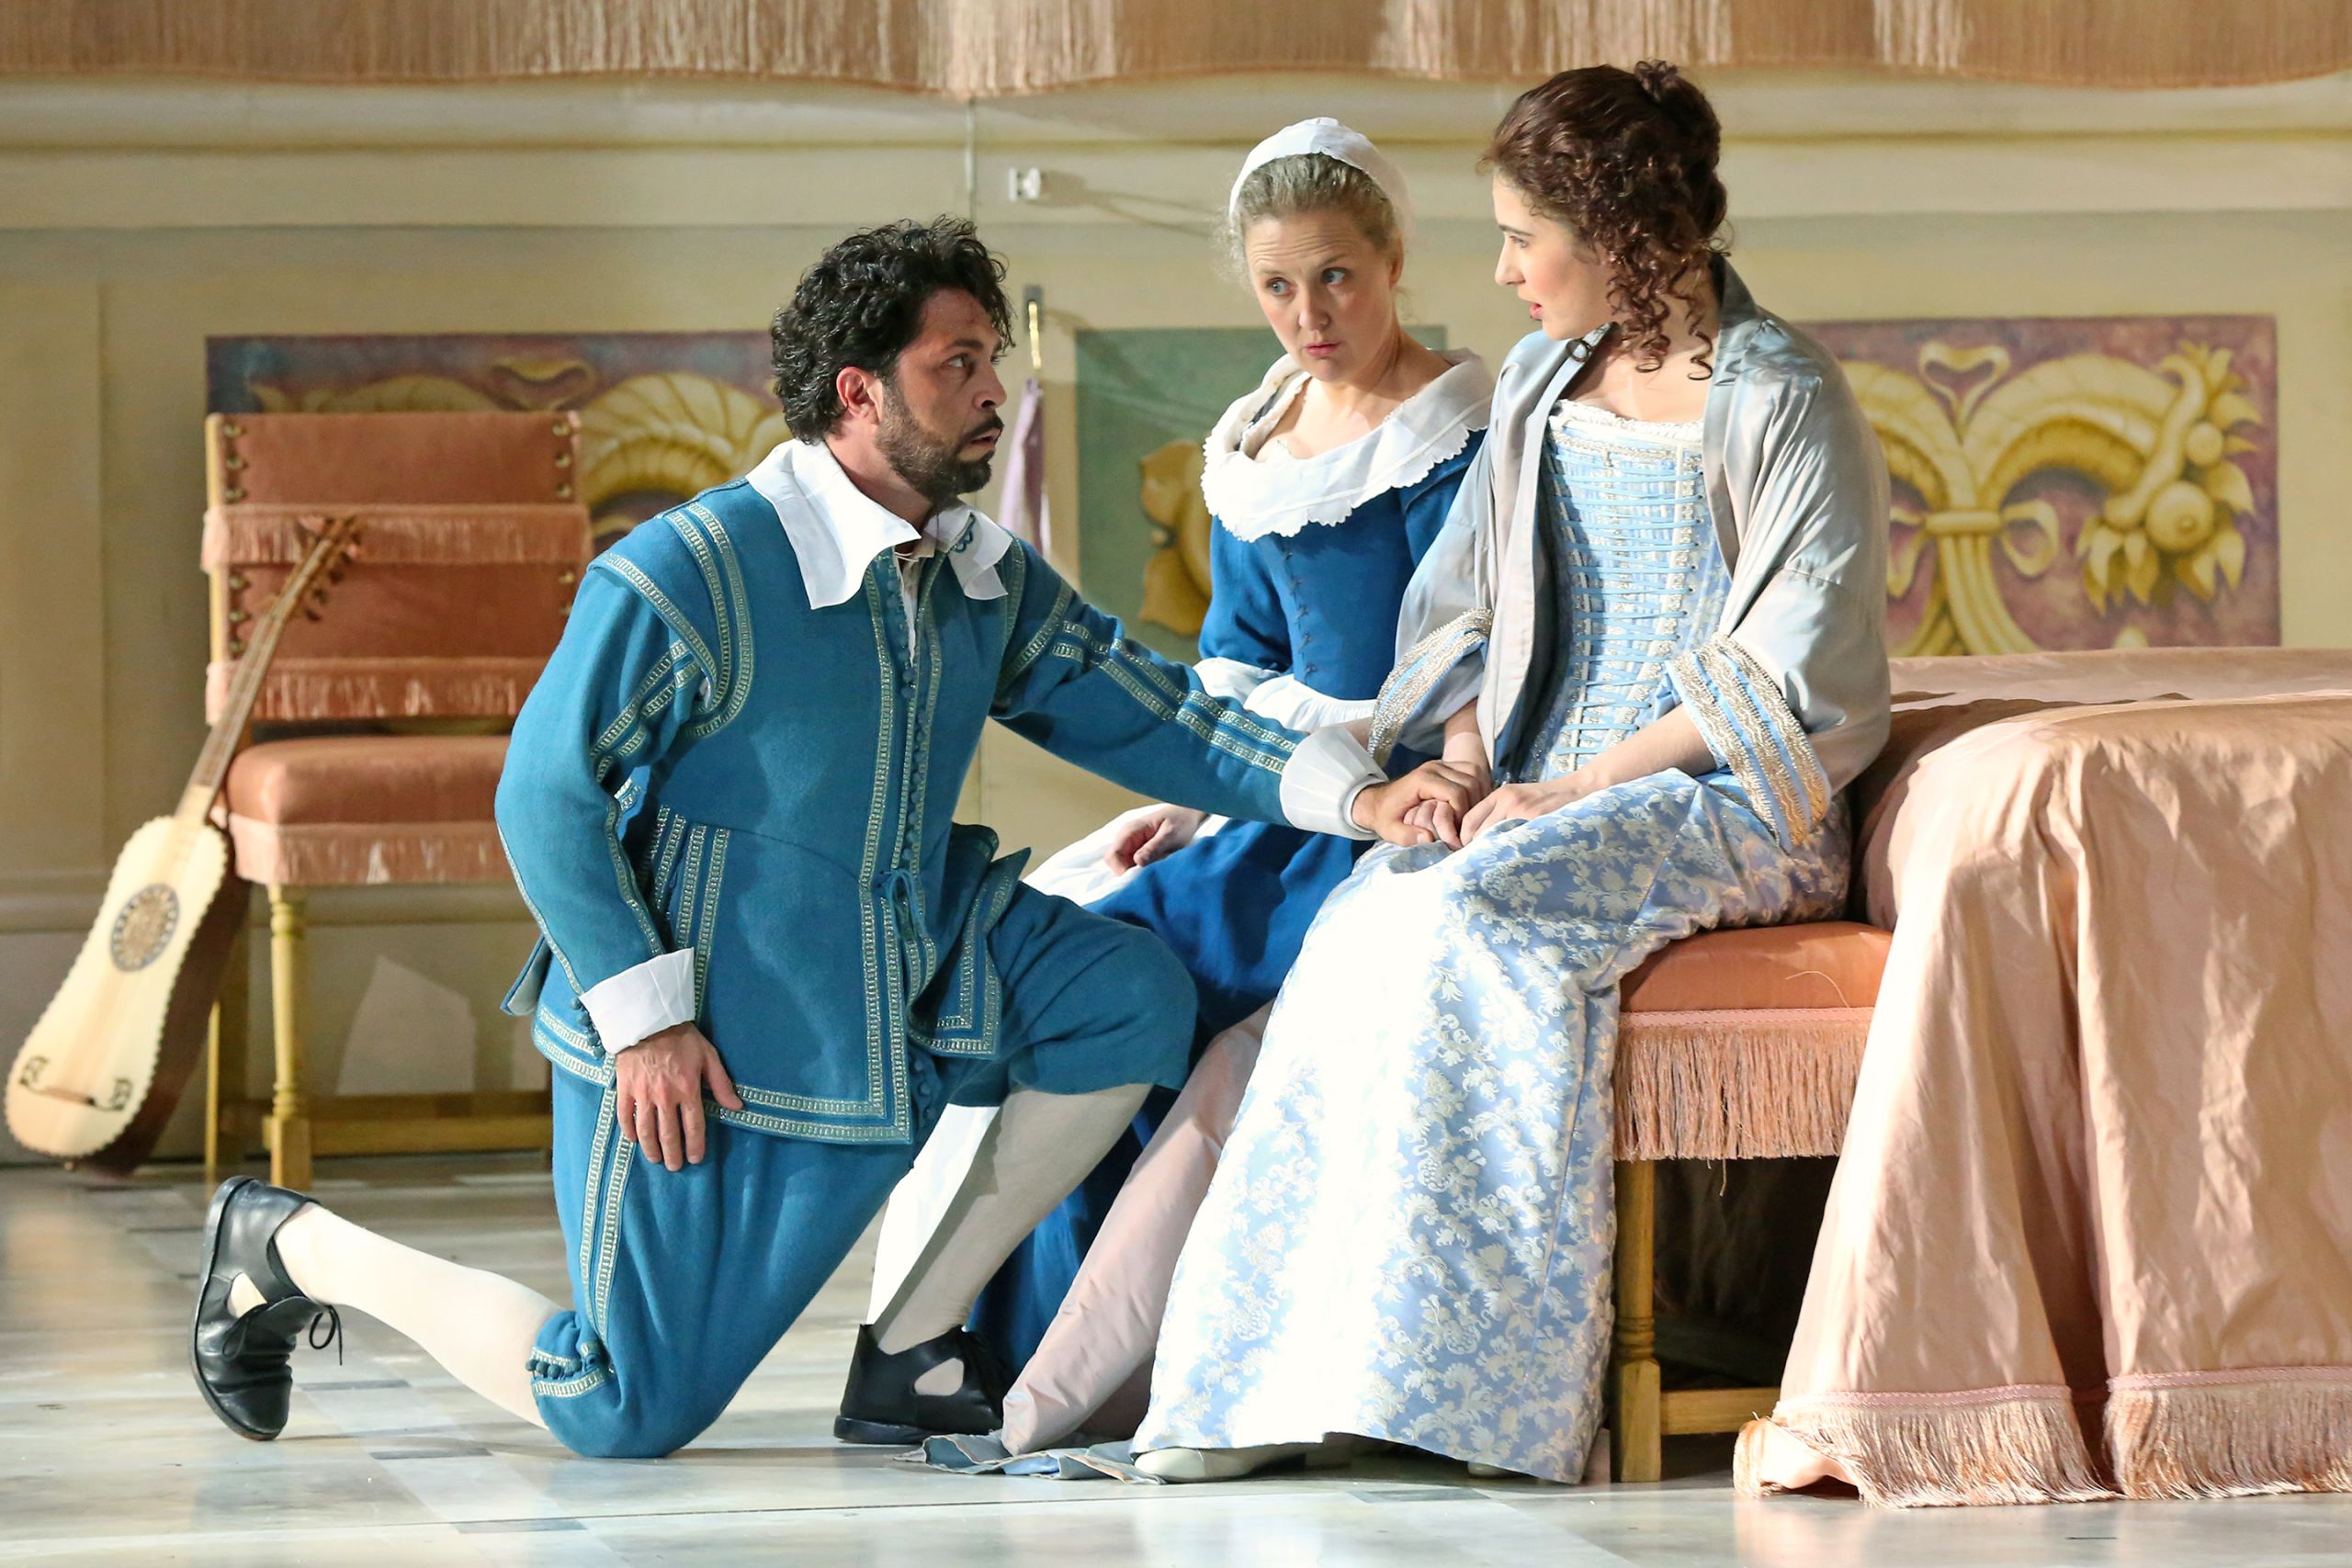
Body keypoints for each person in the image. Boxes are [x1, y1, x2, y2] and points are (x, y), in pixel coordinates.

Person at [187, 217, 1476, 1461]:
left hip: (915, 967)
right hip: (715, 1036)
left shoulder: (982, 571)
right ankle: (287, 1248)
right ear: (860, 393)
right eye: (956, 365)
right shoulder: (691, 570)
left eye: (992, 361)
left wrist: (1364, 798)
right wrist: (644, 1021)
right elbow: (545, 795)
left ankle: (911, 1349)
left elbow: (1158, 714)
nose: (992, 394)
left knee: (1125, 996)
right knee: (619, 1407)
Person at [1129, 62, 1893, 1483]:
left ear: (1615, 232)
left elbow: (1800, 678)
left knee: (1464, 916)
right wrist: (1471, 760)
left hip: (1728, 807)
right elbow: (1474, 604)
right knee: (1371, 912)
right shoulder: (1544, 378)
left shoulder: (1780, 394)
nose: (1501, 271)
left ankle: (1473, 1401)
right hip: (1544, 793)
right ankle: (1274, 1386)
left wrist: (1583, 783)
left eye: (1520, 237)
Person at [870, 119, 1494, 1379]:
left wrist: (1401, 780)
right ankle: (973, 1333)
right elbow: (1233, 657)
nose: (1308, 314)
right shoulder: (1257, 446)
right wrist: (1201, 799)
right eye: (1278, 284)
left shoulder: (1466, 438)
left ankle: (1083, 1352)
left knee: (1153, 977)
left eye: (1336, 277)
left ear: (1393, 260)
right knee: (1082, 932)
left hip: (1386, 800)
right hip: (1263, 789)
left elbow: (1475, 652)